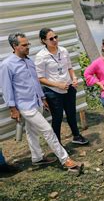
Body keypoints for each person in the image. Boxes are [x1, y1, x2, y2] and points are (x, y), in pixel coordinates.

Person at [0, 32, 81, 171]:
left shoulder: (29, 60)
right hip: (25, 105)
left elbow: (36, 82)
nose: (28, 47)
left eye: (28, 44)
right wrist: (12, 108)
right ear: (15, 46)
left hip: (36, 102)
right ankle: (65, 160)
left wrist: (42, 98)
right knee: (48, 130)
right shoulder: (7, 65)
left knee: (32, 132)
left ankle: (37, 158)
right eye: (24, 45)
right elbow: (7, 89)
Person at [34, 28, 88, 145]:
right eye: (51, 39)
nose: (55, 40)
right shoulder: (41, 56)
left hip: (69, 88)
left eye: (56, 37)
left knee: (71, 114)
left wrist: (74, 79)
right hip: (53, 92)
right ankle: (57, 143)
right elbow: (40, 78)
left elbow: (69, 68)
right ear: (44, 41)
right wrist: (57, 84)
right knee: (57, 118)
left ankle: (76, 136)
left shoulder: (63, 51)